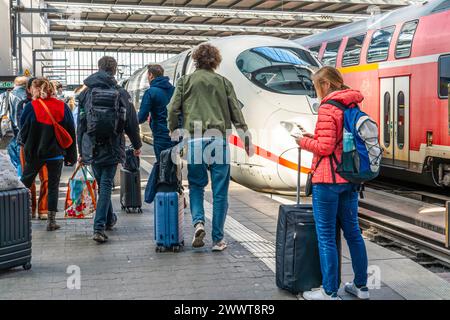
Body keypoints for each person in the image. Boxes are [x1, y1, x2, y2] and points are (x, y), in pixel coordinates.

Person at [168, 44, 253, 252]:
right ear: (216, 61)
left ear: (196, 60)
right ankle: (218, 239)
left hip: (195, 140)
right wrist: (245, 137)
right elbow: (236, 113)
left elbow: (172, 109)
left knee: (196, 186)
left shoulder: (185, 81)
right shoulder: (224, 82)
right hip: (219, 141)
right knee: (220, 192)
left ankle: (198, 223)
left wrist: (174, 131)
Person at [297, 66, 369, 300]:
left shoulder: (328, 106)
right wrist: (314, 137)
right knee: (354, 233)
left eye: (317, 86)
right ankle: (361, 287)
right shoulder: (351, 104)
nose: (316, 90)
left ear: (326, 84)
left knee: (326, 236)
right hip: (349, 178)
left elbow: (326, 148)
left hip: (328, 180)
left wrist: (302, 142)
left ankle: (329, 292)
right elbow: (338, 141)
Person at [77, 56, 142, 243]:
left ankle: (108, 220)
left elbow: (80, 124)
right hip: (113, 145)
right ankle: (98, 228)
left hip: (92, 145)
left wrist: (81, 150)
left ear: (99, 68)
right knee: (105, 186)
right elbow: (131, 122)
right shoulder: (121, 93)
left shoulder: (86, 93)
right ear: (114, 71)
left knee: (102, 185)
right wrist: (137, 145)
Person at [20, 77, 77, 231]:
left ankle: (19, 215)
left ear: (35, 89)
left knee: (24, 184)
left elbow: (23, 131)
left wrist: (26, 146)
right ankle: (51, 221)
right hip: (56, 155)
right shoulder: (62, 106)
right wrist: (71, 157)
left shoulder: (30, 107)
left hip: (35, 154)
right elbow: (71, 131)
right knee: (53, 187)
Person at [137, 64, 175, 204]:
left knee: (162, 165)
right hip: (175, 134)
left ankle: (161, 196)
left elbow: (141, 117)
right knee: (173, 165)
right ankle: (175, 195)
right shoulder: (174, 90)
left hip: (160, 134)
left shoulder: (151, 92)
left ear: (151, 75)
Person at [17, 77, 49, 220]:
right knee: (28, 180)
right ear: (29, 89)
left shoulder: (50, 104)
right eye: (35, 87)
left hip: (45, 147)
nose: (38, 90)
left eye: (41, 87)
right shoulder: (23, 104)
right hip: (27, 146)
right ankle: (31, 209)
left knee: (46, 179)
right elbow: (21, 125)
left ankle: (43, 209)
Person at [5, 76, 28, 175]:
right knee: (22, 161)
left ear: (15, 84)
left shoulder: (5, 96)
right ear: (26, 85)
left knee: (13, 160)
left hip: (8, 132)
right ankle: (21, 183)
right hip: (22, 133)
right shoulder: (26, 96)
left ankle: (15, 180)